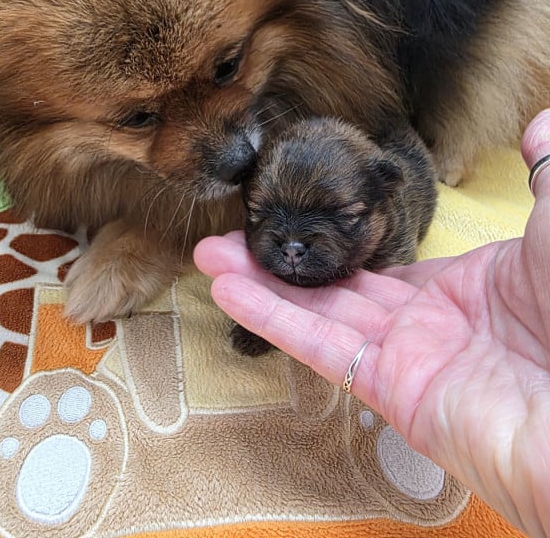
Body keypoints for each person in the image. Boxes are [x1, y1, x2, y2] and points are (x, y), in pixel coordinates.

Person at [193, 109, 550, 538]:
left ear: (385, 195)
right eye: (261, 213)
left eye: (342, 219)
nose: (290, 247)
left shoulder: (390, 245)